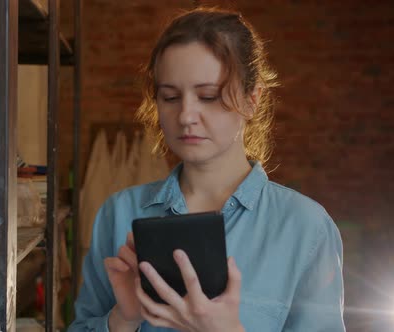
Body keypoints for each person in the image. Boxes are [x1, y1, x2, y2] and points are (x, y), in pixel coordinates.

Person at [68, 6, 345, 332]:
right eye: (170, 97)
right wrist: (123, 318)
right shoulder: (118, 214)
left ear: (251, 99)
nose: (186, 115)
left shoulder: (305, 228)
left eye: (208, 96)